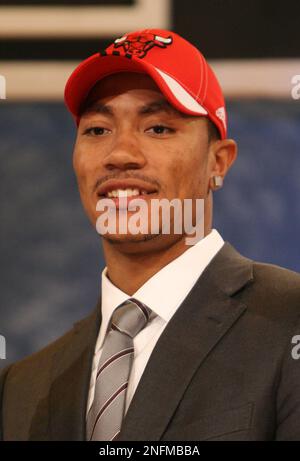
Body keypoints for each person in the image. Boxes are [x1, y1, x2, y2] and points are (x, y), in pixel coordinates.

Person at [1, 28, 300, 442]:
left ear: (219, 161)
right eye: (97, 130)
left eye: (158, 128)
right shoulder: (22, 386)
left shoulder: (289, 321)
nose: (120, 154)